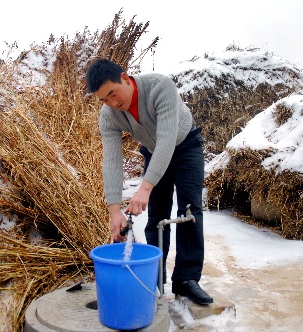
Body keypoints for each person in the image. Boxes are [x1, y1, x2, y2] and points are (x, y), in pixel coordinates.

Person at [85, 58, 213, 305]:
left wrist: (145, 187)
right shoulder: (109, 115)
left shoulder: (159, 86)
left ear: (124, 77)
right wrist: (114, 210)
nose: (112, 103)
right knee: (156, 217)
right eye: (104, 100)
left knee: (190, 210)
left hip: (185, 146)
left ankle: (187, 280)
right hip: (154, 152)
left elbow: (167, 140)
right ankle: (154, 278)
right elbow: (111, 160)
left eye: (113, 94)